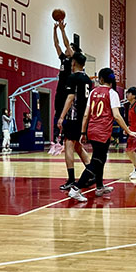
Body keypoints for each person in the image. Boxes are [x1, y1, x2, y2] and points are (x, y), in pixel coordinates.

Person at [68, 68, 136, 202]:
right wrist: (128, 131)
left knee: (101, 159)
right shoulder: (112, 93)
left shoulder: (93, 92)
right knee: (96, 161)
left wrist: (83, 132)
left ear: (100, 79)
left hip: (92, 129)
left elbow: (86, 114)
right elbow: (117, 115)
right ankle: (76, 188)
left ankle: (99, 186)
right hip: (103, 131)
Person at [57, 52, 93, 191]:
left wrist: (61, 117)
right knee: (78, 145)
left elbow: (70, 97)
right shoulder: (88, 79)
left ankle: (71, 179)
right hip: (84, 116)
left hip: (73, 116)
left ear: (73, 63)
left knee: (68, 145)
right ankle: (91, 173)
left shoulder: (73, 78)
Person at [53, 20, 76, 141]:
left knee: (66, 113)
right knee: (57, 112)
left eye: (70, 48)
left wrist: (62, 30)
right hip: (60, 89)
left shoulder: (73, 59)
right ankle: (56, 137)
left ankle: (65, 136)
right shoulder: (63, 58)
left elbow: (66, 44)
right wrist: (54, 30)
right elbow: (56, 44)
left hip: (68, 90)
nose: (67, 49)